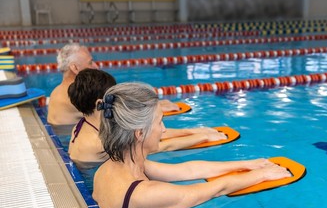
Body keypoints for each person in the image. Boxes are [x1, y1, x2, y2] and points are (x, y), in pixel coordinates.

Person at [92, 82, 291, 208]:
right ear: (139, 133)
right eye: (160, 122)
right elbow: (215, 189)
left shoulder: (114, 167)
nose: (164, 129)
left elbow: (190, 170)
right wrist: (262, 175)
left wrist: (249, 164)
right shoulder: (145, 193)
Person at [67, 68, 227, 189]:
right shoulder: (98, 143)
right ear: (99, 104)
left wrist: (193, 131)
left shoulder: (84, 125)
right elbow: (159, 145)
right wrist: (200, 137)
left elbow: (143, 133)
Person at [47, 43, 180, 132]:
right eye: (90, 62)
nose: (96, 66)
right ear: (75, 68)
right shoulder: (73, 96)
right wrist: (155, 107)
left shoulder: (59, 91)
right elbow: (121, 110)